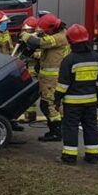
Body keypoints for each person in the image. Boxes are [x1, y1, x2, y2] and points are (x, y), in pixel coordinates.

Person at [55, 24, 98, 164]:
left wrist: (57, 100)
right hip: (91, 101)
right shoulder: (97, 57)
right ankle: (92, 155)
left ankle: (69, 156)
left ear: (70, 41)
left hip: (72, 104)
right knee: (90, 126)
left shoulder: (69, 60)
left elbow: (62, 85)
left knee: (70, 128)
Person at [25, 14, 69, 142]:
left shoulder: (59, 37)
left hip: (52, 79)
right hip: (48, 78)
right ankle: (59, 129)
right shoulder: (59, 34)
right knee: (50, 104)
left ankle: (56, 132)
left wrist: (25, 36)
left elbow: (39, 43)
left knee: (48, 105)